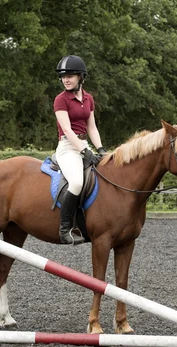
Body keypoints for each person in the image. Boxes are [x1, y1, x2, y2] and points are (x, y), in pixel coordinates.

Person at [54, 55, 107, 245]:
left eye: (70, 75)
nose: (66, 80)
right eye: (63, 76)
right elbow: (67, 130)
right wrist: (84, 152)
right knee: (76, 183)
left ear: (80, 77)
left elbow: (92, 127)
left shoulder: (88, 99)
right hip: (68, 147)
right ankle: (65, 228)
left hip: (85, 145)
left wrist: (100, 149)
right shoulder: (61, 100)